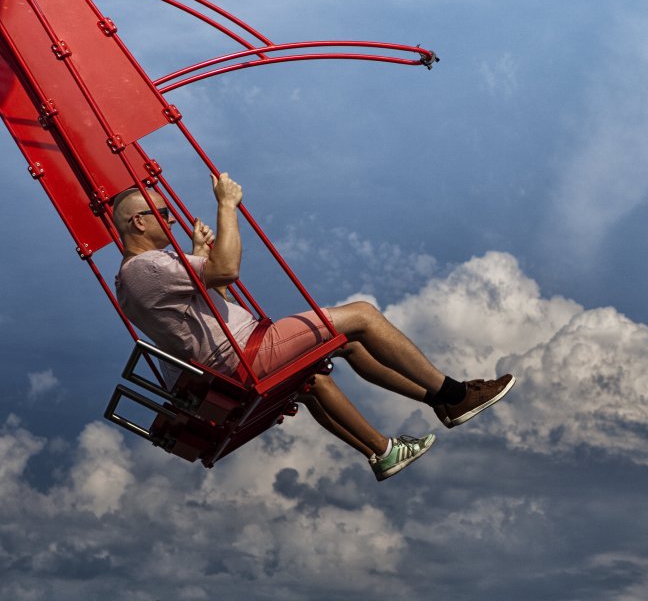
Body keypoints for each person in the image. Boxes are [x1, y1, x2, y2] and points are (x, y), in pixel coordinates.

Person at [112, 173, 515, 481]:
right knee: (362, 315)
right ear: (137, 223)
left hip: (232, 362)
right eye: (161, 213)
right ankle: (455, 395)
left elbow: (212, 303)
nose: (169, 218)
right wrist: (227, 205)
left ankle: (387, 446)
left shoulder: (137, 278)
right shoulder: (145, 268)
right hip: (246, 355)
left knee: (334, 360)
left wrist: (200, 254)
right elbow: (228, 269)